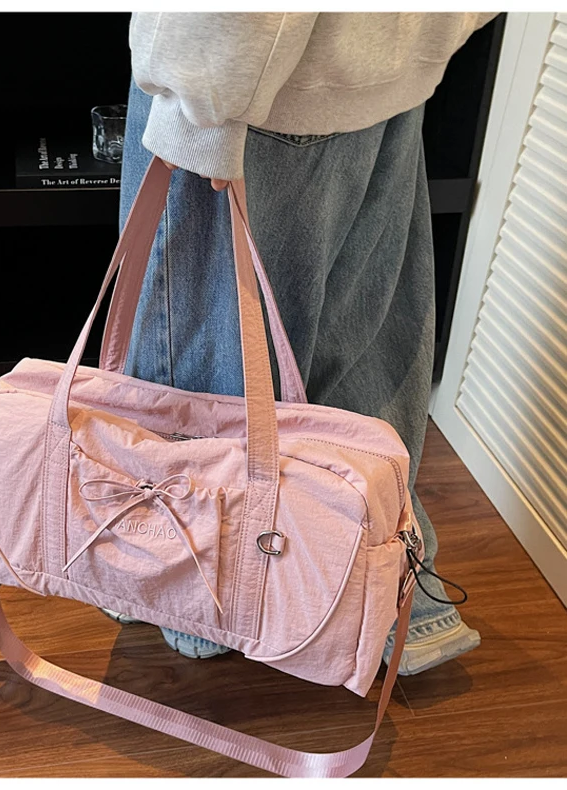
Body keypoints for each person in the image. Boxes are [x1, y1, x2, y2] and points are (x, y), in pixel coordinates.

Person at [107, 12, 498, 675]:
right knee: (362, 357)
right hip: (390, 76)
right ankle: (388, 596)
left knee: (201, 378)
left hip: (255, 89)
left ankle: (205, 608)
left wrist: (195, 98)